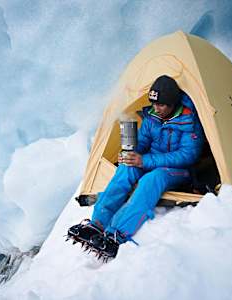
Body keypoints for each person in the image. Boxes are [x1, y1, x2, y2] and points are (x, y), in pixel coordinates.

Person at [67, 75, 204, 259]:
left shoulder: (189, 122)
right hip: (151, 162)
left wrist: (144, 161)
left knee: (152, 179)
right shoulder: (152, 117)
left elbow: (188, 155)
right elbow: (143, 142)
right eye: (154, 103)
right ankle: (97, 224)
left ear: (173, 103)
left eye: (161, 105)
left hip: (179, 171)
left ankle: (118, 234)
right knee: (125, 168)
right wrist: (131, 154)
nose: (156, 108)